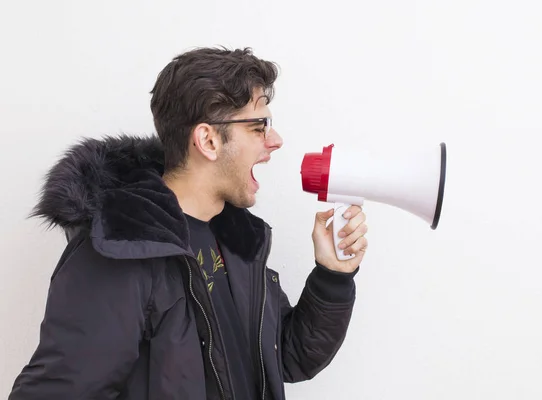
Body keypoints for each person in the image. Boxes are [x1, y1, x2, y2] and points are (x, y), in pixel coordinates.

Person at [8, 47, 368, 400]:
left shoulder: (237, 240)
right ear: (208, 140)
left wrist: (332, 277)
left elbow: (287, 356)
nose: (275, 140)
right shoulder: (119, 252)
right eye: (259, 126)